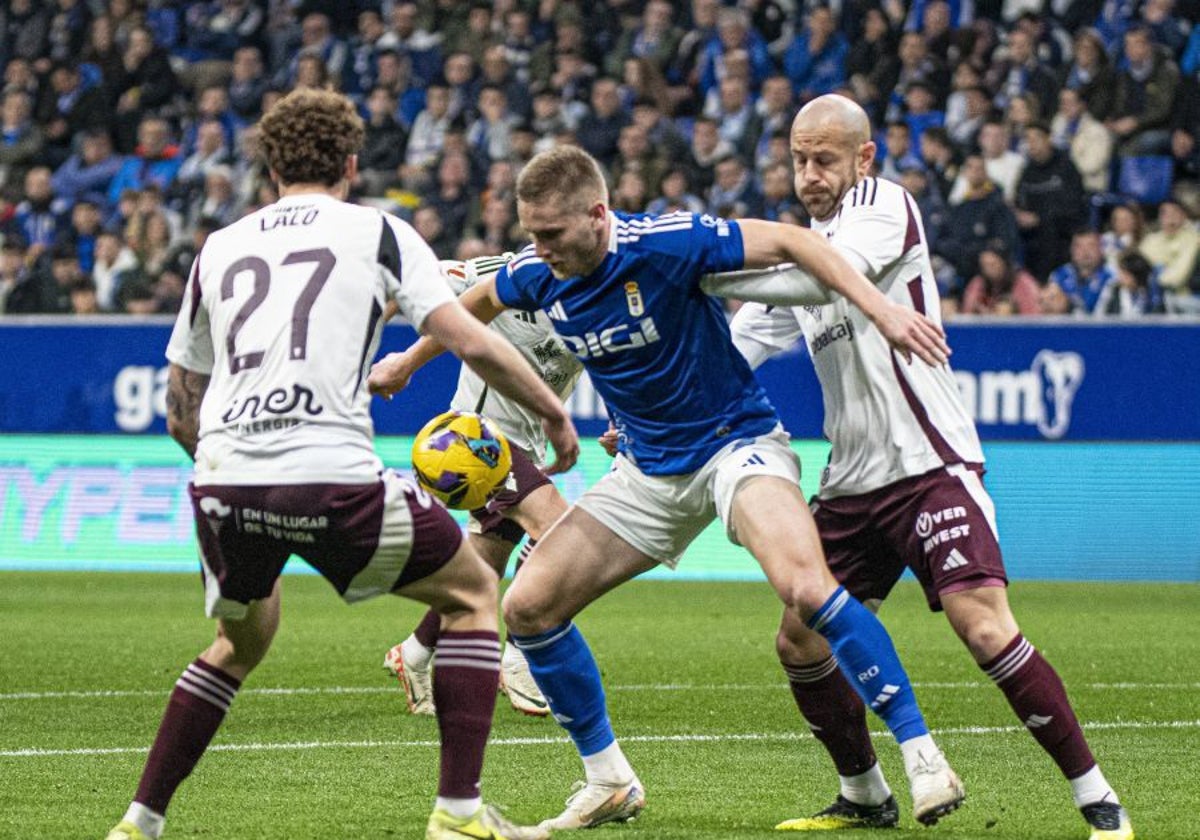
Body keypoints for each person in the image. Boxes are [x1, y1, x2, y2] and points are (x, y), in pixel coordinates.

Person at [368, 141, 963, 832]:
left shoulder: (671, 241)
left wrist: (883, 311)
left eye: (553, 234)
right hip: (649, 471)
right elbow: (473, 301)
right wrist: (410, 361)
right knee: (528, 608)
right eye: (531, 233)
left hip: (734, 446)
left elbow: (798, 243)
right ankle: (609, 781)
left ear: (598, 214)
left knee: (806, 588)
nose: (540, 248)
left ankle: (923, 756)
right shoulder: (538, 273)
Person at [102, 88, 580, 840]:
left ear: (267, 164)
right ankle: (459, 815)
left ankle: (139, 822)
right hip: (332, 475)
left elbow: (178, 409)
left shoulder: (217, 246)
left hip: (222, 479)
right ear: (352, 163)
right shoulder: (381, 234)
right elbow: (474, 339)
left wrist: (236, 475)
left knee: (237, 645)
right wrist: (555, 415)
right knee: (475, 595)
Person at [726, 94, 1133, 840]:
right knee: (800, 641)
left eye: (824, 158)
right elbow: (738, 349)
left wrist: (714, 260)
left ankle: (1098, 800)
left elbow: (826, 276)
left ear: (864, 158)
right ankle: (865, 794)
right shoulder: (798, 250)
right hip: (851, 482)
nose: (810, 174)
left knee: (984, 628)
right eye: (798, 159)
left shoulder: (884, 208)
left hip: (928, 465)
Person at [371, 253, 585, 718]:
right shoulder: (508, 273)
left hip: (526, 444)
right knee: (565, 533)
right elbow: (413, 284)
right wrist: (394, 355)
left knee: (480, 574)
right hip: (477, 440)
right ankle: (523, 652)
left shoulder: (595, 298)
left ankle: (415, 653)